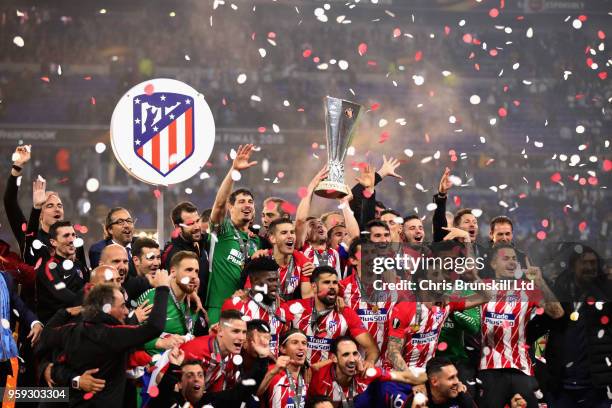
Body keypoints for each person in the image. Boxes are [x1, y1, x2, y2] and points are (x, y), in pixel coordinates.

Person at [37, 270, 171, 406]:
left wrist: (64, 312)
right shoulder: (111, 334)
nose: (126, 311)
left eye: (117, 280)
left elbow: (46, 335)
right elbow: (154, 326)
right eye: (123, 306)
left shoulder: (71, 328)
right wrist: (163, 288)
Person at [478, 243, 564, 408]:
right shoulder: (482, 285)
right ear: (493, 264)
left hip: (521, 368)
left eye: (514, 259)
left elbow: (557, 313)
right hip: (489, 368)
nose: (511, 263)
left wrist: (540, 281)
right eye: (505, 259)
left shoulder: (527, 288)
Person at [532, 245, 611, 407]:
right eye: (585, 263)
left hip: (596, 385)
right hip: (561, 386)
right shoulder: (559, 293)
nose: (590, 268)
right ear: (573, 266)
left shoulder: (605, 294)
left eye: (593, 263)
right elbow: (538, 332)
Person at [3, 145, 87, 269]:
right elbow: (9, 202)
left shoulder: (73, 239)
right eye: (50, 206)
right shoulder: (30, 235)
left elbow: (83, 275)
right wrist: (17, 167)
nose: (57, 208)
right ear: (40, 214)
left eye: (59, 205)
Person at [207, 144, 261, 324]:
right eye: (241, 202)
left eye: (250, 202)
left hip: (247, 308)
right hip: (219, 307)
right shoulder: (222, 230)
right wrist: (233, 170)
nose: (247, 205)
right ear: (231, 207)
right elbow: (219, 204)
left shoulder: (257, 242)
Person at [282, 266, 378, 366]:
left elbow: (372, 349)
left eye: (335, 283)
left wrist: (369, 362)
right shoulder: (294, 308)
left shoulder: (345, 313)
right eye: (326, 282)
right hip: (297, 374)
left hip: (330, 378)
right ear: (314, 286)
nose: (332, 286)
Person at [307, 336, 426, 406]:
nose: (352, 360)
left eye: (355, 354)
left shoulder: (367, 372)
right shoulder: (319, 378)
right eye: (345, 355)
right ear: (334, 358)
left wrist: (422, 382)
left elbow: (406, 377)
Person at [137, 251, 202, 356]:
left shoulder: (192, 304)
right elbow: (132, 337)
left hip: (176, 362)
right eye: (188, 270)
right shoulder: (153, 297)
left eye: (196, 271)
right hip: (149, 367)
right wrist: (162, 343)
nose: (194, 276)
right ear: (173, 272)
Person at [222, 256, 290, 355]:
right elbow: (225, 345)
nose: (276, 285)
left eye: (277, 280)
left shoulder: (282, 307)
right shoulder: (235, 306)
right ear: (254, 281)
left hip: (274, 368)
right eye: (271, 280)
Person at [179, 309, 246, 391]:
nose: (242, 338)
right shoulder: (195, 350)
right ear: (220, 330)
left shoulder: (232, 356)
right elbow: (161, 377)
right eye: (235, 331)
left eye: (244, 332)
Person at [36, 220, 88, 323]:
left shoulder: (79, 265)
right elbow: (61, 293)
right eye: (66, 236)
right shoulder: (49, 267)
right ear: (53, 242)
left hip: (78, 321)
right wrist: (91, 304)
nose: (72, 239)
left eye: (73, 235)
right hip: (55, 326)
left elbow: (89, 286)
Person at [0, 270, 43, 386]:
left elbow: (21, 307)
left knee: (9, 398)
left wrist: (35, 323)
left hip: (8, 350)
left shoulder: (6, 278)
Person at [162, 201, 210, 304]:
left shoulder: (201, 241)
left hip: (204, 309)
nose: (197, 227)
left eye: (197, 221)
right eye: (190, 224)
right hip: (187, 312)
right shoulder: (174, 254)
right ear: (178, 227)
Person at [266, 218, 314, 300]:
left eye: (292, 232)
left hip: (291, 309)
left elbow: (307, 297)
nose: (290, 236)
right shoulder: (262, 261)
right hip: (265, 308)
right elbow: (250, 293)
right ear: (272, 238)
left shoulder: (301, 260)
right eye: (284, 233)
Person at [405, 357, 477, 408]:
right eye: (451, 378)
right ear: (434, 382)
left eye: (456, 376)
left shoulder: (461, 393)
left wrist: (465, 398)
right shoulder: (417, 399)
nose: (457, 381)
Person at [266, 328, 310, 408]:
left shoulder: (304, 378)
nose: (301, 347)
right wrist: (271, 373)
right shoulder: (271, 372)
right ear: (282, 349)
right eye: (295, 342)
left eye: (304, 343)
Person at [89, 207, 136, 276]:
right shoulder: (99, 250)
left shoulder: (142, 244)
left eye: (129, 221)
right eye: (120, 222)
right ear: (110, 229)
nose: (126, 225)